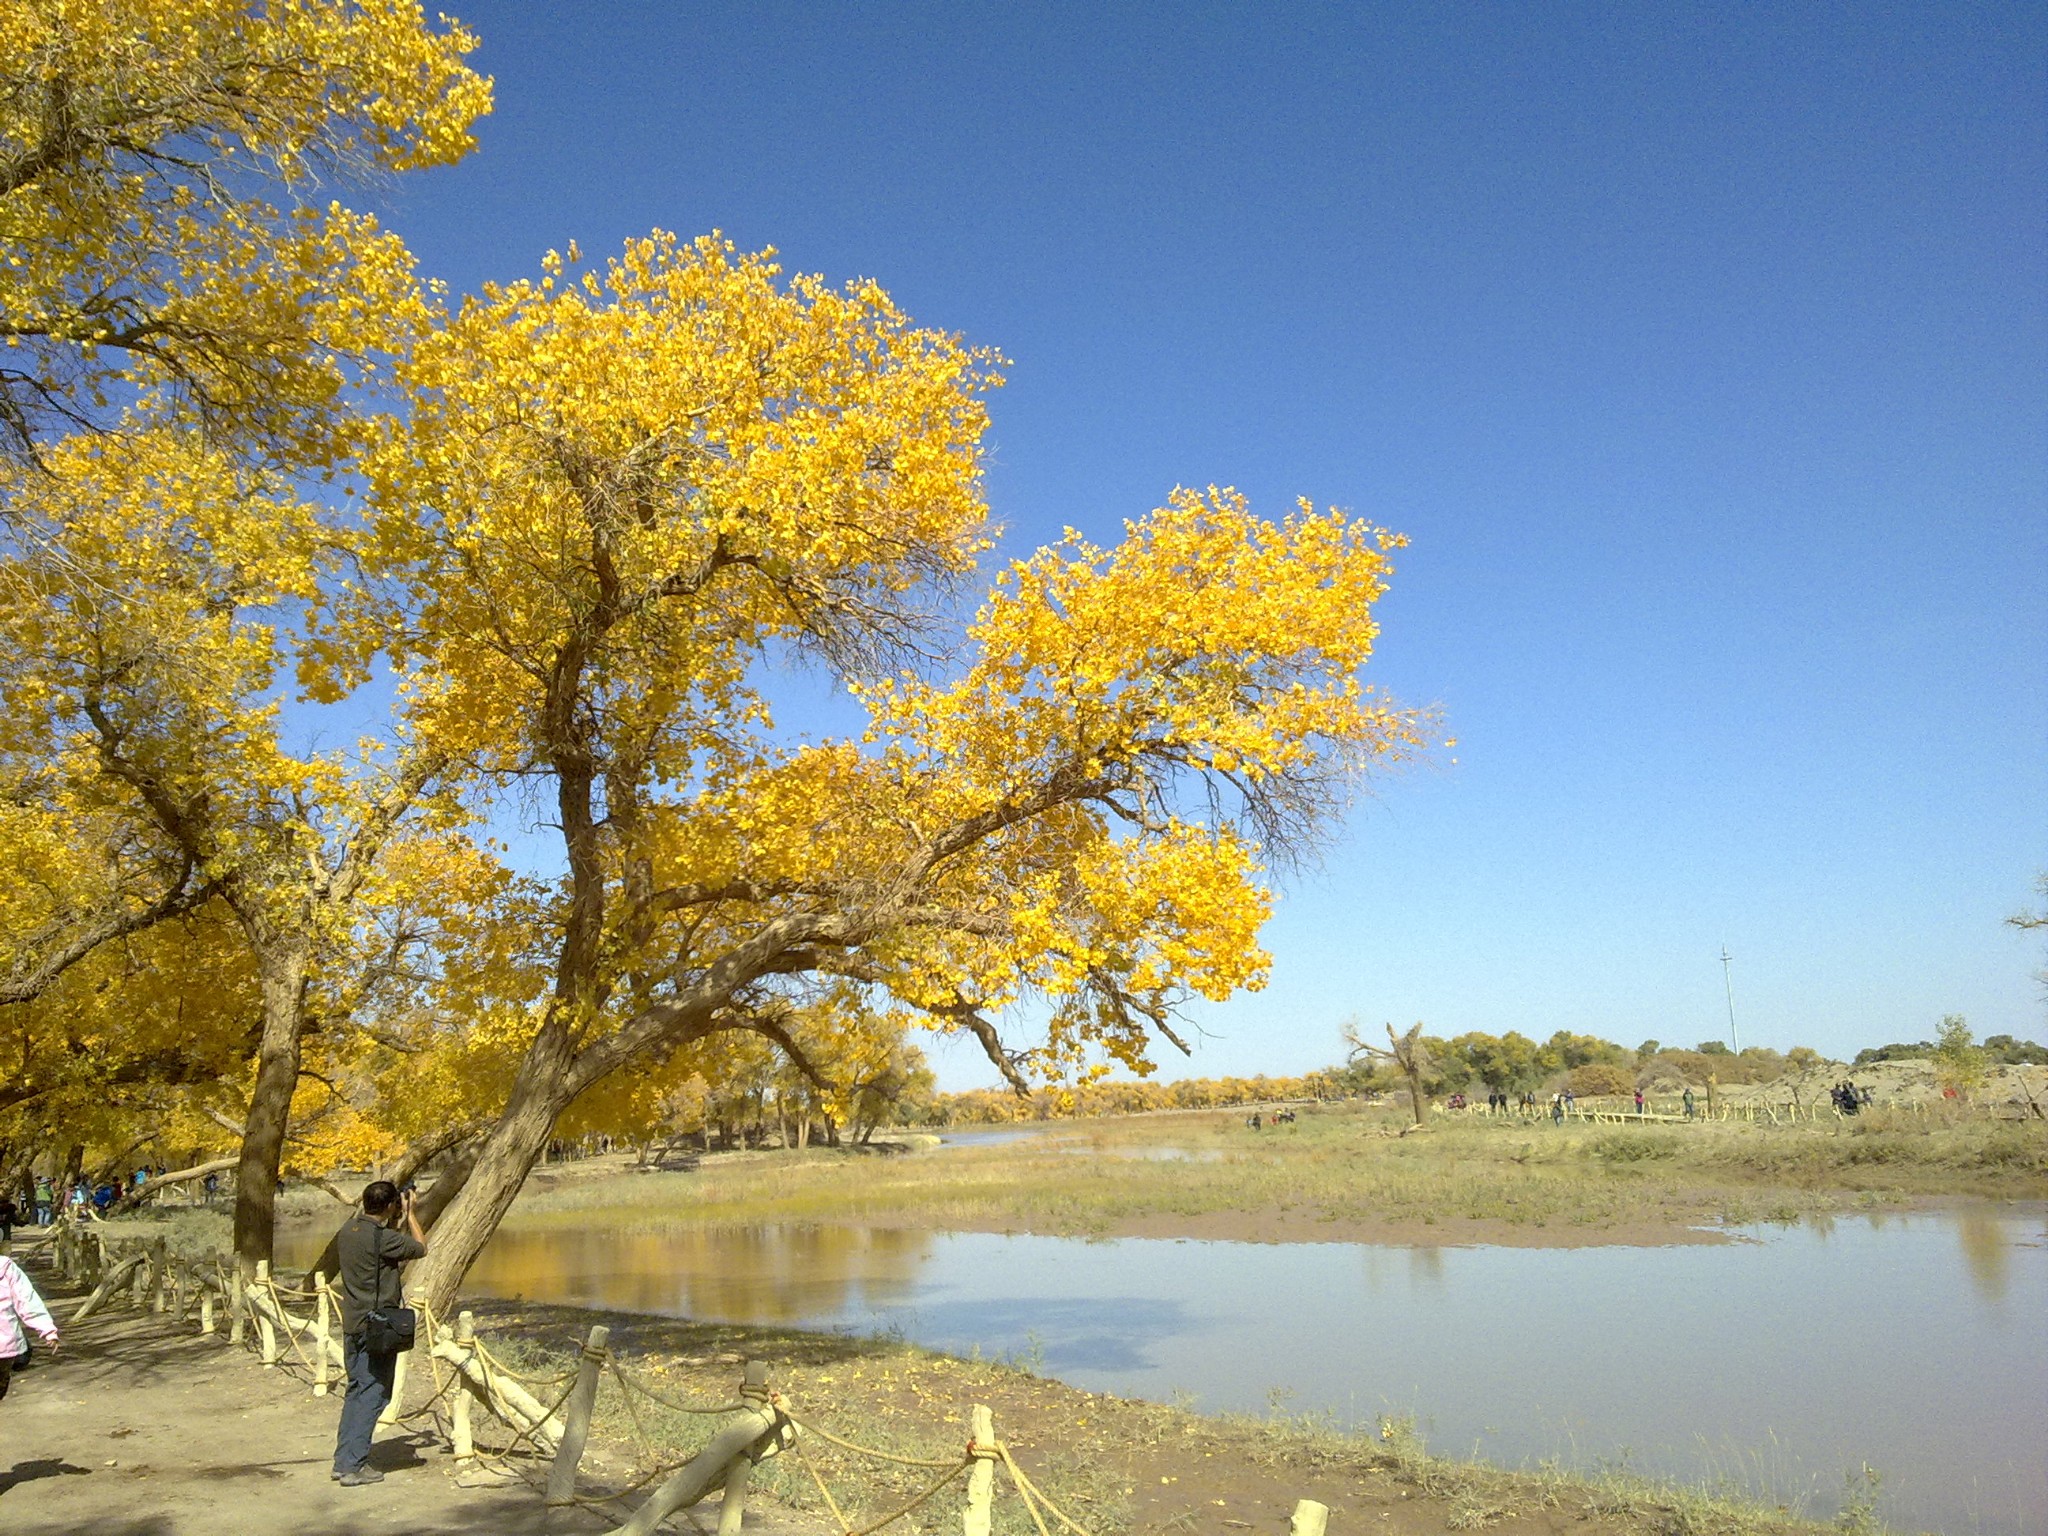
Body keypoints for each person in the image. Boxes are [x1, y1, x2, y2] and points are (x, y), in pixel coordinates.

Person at [331, 1180, 428, 1486]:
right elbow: (420, 1247)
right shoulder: (383, 1238)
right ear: (389, 1206)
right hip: (377, 1328)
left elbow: (381, 1243)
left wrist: (394, 1215)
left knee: (356, 1390)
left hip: (353, 1323)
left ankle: (343, 1460)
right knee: (374, 1393)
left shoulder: (348, 1232)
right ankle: (353, 1467)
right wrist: (411, 1213)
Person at [0, 1250, 60, 1402]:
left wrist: (47, 1329)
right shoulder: (6, 1267)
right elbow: (27, 1299)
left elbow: (26, 1298)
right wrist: (47, 1329)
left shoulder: (6, 1268)